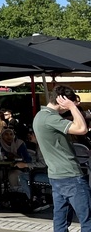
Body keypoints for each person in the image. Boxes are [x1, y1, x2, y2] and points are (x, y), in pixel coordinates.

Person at [32, 84, 91, 231]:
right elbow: (82, 129)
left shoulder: (40, 116)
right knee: (87, 219)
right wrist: (72, 107)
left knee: (60, 220)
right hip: (70, 175)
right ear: (62, 100)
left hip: (56, 175)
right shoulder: (50, 118)